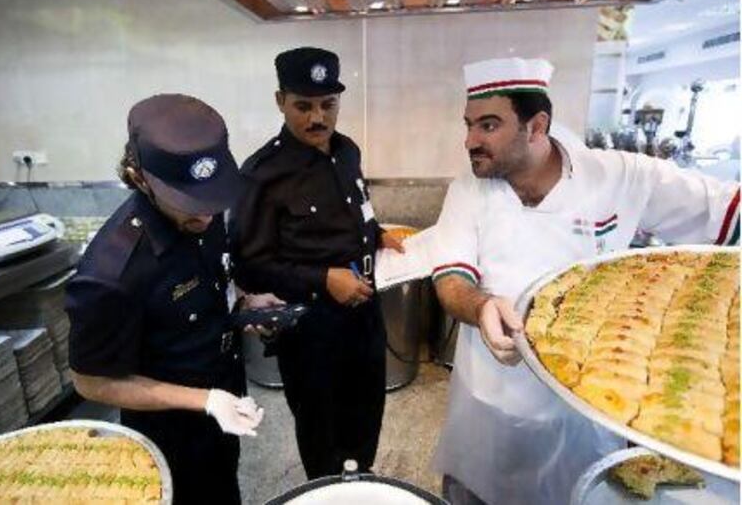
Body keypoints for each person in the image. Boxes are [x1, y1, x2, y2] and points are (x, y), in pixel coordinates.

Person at [430, 57, 740, 505]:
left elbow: (725, 211)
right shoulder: (468, 189)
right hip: (490, 406)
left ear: (536, 127)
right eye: (469, 125)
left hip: (591, 403)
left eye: (488, 126)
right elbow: (452, 276)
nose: (470, 141)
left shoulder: (620, 175)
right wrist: (480, 306)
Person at [66, 94, 275, 504]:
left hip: (223, 406)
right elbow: (90, 381)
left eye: (213, 201)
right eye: (188, 205)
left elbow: (206, 286)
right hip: (167, 434)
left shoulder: (203, 214)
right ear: (138, 177)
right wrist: (204, 400)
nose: (207, 218)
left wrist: (245, 303)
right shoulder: (112, 272)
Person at [231, 47, 404, 479]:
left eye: (327, 105)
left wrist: (377, 233)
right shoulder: (262, 173)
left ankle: (359, 484)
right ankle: (328, 490)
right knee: (323, 435)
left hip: (365, 318)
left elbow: (356, 209)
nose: (317, 119)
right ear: (280, 101)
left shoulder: (347, 152)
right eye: (303, 106)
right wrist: (322, 278)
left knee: (366, 421)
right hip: (311, 333)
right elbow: (248, 264)